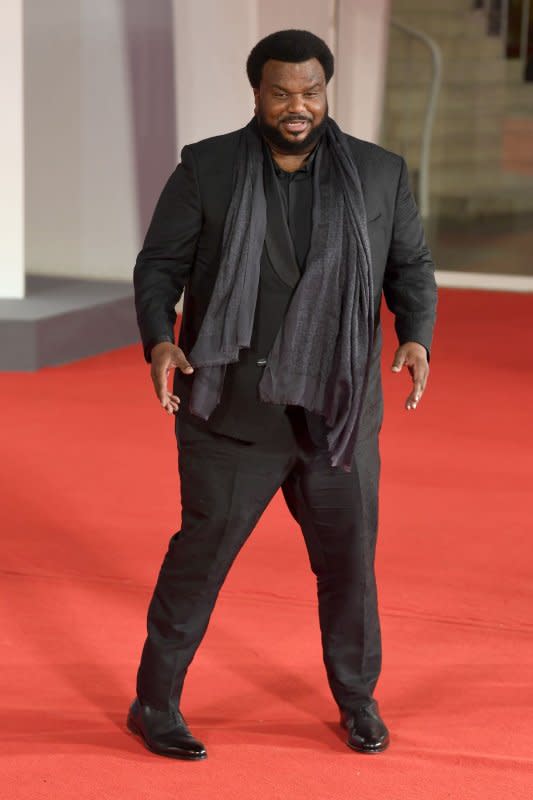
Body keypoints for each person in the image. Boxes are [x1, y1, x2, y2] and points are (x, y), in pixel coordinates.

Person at [129, 29, 437, 761]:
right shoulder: (207, 168)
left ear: (326, 90)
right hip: (232, 411)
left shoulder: (378, 172)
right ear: (257, 93)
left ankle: (357, 702)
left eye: (310, 91)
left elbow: (411, 265)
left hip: (336, 415)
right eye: (280, 92)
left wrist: (416, 334)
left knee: (348, 566)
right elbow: (157, 266)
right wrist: (159, 336)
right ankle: (154, 703)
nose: (297, 106)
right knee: (197, 559)